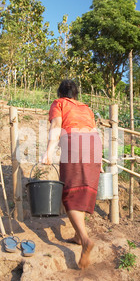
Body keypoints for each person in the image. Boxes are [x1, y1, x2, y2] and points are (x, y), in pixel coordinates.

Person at [41, 79, 102, 269]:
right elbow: (94, 131)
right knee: (83, 192)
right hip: (94, 147)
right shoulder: (86, 108)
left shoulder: (59, 104)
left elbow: (56, 127)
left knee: (69, 194)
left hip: (74, 144)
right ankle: (77, 236)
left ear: (60, 93)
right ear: (76, 94)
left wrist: (49, 151)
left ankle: (85, 240)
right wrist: (99, 161)